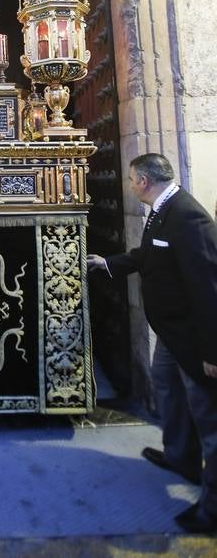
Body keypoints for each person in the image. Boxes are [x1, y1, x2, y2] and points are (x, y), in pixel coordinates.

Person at [87, 153, 217, 535]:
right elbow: (149, 255)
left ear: (143, 180)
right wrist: (107, 263)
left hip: (192, 339)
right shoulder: (164, 210)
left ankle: (212, 509)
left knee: (208, 417)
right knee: (168, 391)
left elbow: (209, 289)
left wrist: (213, 351)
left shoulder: (189, 217)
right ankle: (180, 457)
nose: (129, 185)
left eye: (131, 179)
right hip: (169, 333)